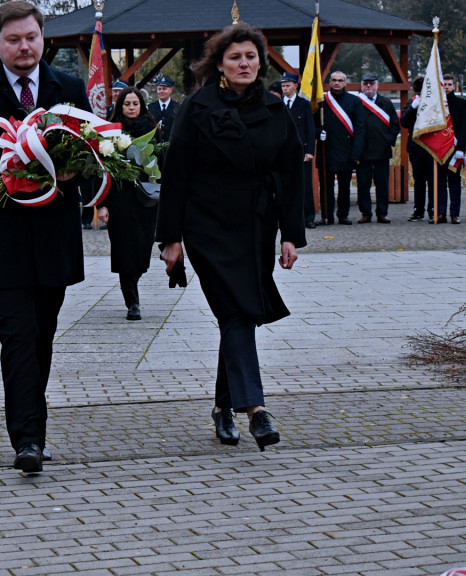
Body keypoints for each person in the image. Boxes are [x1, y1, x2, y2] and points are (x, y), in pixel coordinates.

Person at [0, 0, 92, 473]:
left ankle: (34, 424)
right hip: (5, 236)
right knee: (17, 336)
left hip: (54, 235)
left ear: (42, 38)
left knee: (43, 336)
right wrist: (10, 172)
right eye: (13, 40)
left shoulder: (67, 89)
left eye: (31, 37)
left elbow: (92, 154)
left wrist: (70, 172)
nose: (24, 47)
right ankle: (27, 439)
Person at [157, 22, 306, 452]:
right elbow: (176, 175)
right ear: (219, 63)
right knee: (236, 310)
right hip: (206, 224)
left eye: (251, 57)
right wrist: (171, 238)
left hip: (257, 224)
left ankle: (224, 408)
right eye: (236, 57)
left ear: (261, 62)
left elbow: (291, 176)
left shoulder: (276, 109)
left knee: (237, 314)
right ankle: (256, 409)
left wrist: (290, 236)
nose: (245, 63)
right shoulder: (198, 106)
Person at [97, 87, 159, 321]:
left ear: (141, 105)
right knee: (124, 250)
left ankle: (134, 280)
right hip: (119, 199)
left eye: (135, 103)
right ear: (120, 106)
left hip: (145, 198)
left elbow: (161, 164)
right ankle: (132, 301)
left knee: (142, 250)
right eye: (127, 104)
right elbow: (99, 170)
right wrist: (101, 204)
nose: (132, 107)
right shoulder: (110, 132)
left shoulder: (152, 131)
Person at [320, 70, 365, 225]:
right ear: (329, 82)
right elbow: (313, 122)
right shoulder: (322, 100)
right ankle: (327, 215)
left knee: (345, 187)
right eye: (334, 80)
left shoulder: (354, 101)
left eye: (340, 80)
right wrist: (319, 132)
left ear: (345, 83)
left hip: (346, 151)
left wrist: (356, 152)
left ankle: (343, 215)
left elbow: (360, 128)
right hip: (326, 150)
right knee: (326, 186)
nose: (337, 83)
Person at [355, 72, 399, 223]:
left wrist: (388, 140)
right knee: (363, 185)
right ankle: (365, 213)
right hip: (363, 152)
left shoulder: (386, 102)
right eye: (365, 83)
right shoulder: (356, 102)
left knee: (382, 184)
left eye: (371, 83)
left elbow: (395, 125)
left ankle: (382, 213)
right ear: (361, 85)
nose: (368, 86)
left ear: (377, 85)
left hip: (382, 151)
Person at [280, 72, 317, 229]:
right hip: (282, 153)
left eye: (288, 85)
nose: (285, 89)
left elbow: (310, 128)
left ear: (295, 86)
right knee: (284, 187)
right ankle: (286, 218)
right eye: (283, 86)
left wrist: (310, 151)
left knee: (305, 186)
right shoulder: (278, 104)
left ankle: (308, 217)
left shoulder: (303, 104)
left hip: (301, 152)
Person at [435, 73, 466, 224]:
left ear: (454, 86)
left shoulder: (462, 104)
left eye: (450, 84)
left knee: (454, 182)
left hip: (455, 149)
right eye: (445, 85)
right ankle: (441, 212)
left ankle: (454, 213)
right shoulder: (437, 105)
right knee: (440, 182)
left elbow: (465, 128)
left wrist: (461, 149)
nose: (447, 87)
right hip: (440, 148)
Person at [401, 77, 434, 221]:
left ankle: (433, 208)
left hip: (431, 146)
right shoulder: (412, 101)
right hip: (416, 146)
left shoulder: (434, 103)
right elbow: (404, 121)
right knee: (419, 180)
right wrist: (413, 107)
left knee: (432, 180)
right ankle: (418, 209)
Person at [150, 75, 178, 145]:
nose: (161, 91)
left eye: (164, 89)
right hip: (154, 147)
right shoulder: (150, 108)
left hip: (172, 146)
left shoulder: (178, 108)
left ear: (171, 90)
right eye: (159, 89)